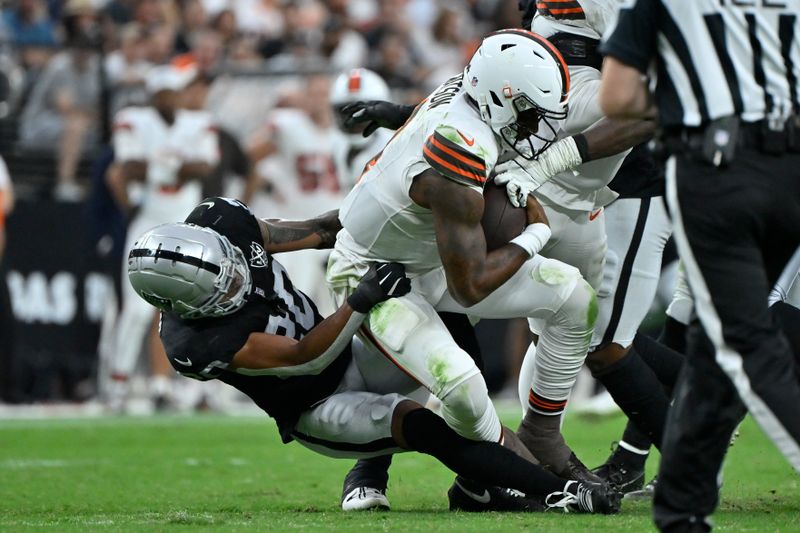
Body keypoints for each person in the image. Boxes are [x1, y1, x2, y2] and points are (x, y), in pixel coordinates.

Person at [127, 196, 620, 514]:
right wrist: (360, 301)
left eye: (231, 269)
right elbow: (304, 358)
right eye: (222, 289)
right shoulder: (194, 343)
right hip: (314, 406)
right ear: (185, 307)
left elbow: (318, 230)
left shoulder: (225, 224)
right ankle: (555, 492)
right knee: (422, 426)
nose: (238, 281)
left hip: (348, 353)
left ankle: (462, 483)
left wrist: (385, 218)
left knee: (440, 316)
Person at [326, 29, 626, 505]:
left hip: (434, 261)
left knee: (575, 298)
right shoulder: (460, 146)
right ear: (501, 97)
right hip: (378, 273)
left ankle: (537, 438)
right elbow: (470, 288)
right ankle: (528, 477)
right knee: (459, 384)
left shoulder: (474, 97)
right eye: (530, 112)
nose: (538, 127)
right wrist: (535, 235)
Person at [599, 1, 800, 531]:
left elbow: (617, 97)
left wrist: (683, 103)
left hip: (716, 167)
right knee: (713, 343)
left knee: (744, 342)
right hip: (791, 167)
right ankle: (681, 511)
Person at [105, 64, 219, 409]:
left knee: (200, 304)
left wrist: (158, 166)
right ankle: (117, 383)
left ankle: (199, 388)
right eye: (164, 93)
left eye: (174, 92)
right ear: (154, 96)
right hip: (149, 222)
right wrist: (175, 167)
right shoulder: (134, 119)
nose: (170, 99)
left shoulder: (197, 122)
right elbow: (128, 166)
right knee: (137, 309)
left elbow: (205, 165)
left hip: (187, 224)